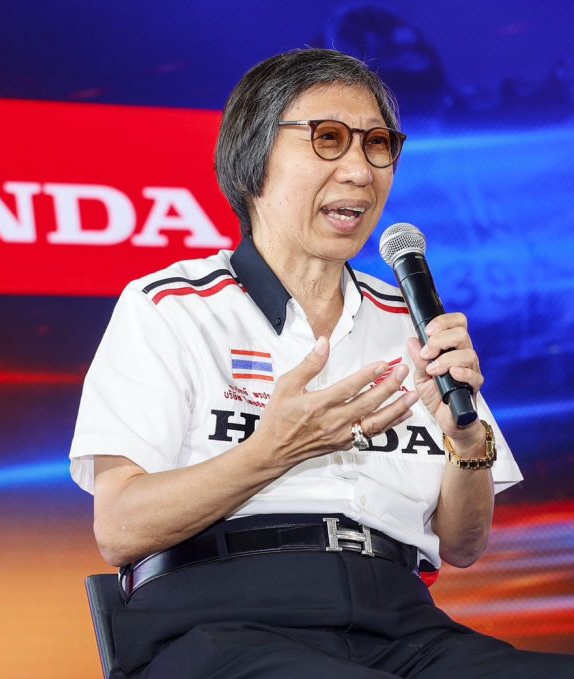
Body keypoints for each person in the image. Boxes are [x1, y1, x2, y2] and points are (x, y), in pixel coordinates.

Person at [69, 49, 574, 678]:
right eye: (328, 139)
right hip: (221, 624)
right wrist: (274, 450)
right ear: (253, 160)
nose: (360, 171)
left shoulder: (412, 319)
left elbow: (462, 545)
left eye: (377, 145)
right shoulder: (173, 307)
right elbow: (120, 528)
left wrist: (467, 440)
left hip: (403, 625)